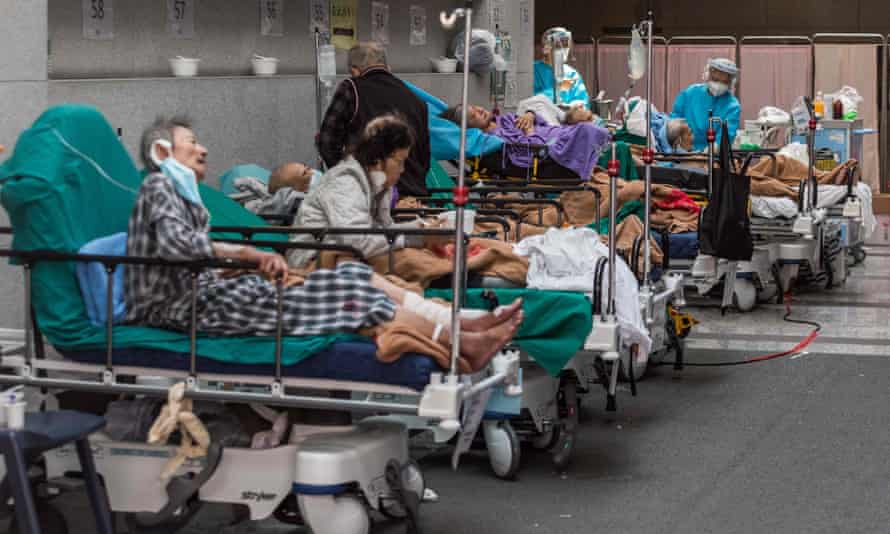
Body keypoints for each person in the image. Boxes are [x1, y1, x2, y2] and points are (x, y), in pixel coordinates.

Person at [126, 115, 523, 372]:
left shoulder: (182, 197)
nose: (203, 149)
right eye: (190, 143)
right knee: (350, 288)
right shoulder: (159, 186)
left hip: (210, 295)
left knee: (352, 277)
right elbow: (182, 250)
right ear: (162, 153)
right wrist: (245, 254)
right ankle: (460, 340)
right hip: (188, 309)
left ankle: (461, 328)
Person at [289, 115, 446, 269]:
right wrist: (417, 237)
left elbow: (384, 230)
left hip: (350, 253)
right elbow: (355, 240)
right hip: (313, 260)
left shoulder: (377, 184)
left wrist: (421, 227)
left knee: (417, 254)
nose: (402, 169)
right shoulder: (345, 182)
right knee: (409, 258)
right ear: (378, 159)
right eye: (400, 161)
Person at [317, 42, 430, 197]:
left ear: (354, 71)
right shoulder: (417, 99)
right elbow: (424, 157)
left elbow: (327, 142)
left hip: (368, 195)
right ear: (388, 67)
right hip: (414, 197)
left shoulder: (351, 88)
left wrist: (346, 177)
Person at [439, 103, 611, 181]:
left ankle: (610, 150)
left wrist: (530, 114)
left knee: (614, 145)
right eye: (473, 115)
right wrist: (529, 133)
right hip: (553, 151)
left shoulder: (505, 119)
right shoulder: (494, 141)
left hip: (560, 133)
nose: (479, 110)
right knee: (589, 130)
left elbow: (542, 123)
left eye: (476, 107)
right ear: (468, 128)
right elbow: (525, 156)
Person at [670, 58, 741, 152]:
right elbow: (674, 121)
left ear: (731, 83)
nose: (718, 85)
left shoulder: (732, 106)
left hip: (711, 156)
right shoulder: (690, 93)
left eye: (724, 82)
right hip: (681, 151)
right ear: (707, 76)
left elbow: (723, 139)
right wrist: (678, 149)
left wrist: (704, 156)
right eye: (715, 79)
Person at [533, 27, 590, 109]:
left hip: (568, 117)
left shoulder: (571, 74)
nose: (564, 50)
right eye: (559, 46)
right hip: (542, 115)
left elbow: (582, 99)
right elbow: (531, 100)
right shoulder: (534, 70)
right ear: (546, 48)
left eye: (566, 45)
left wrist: (576, 105)